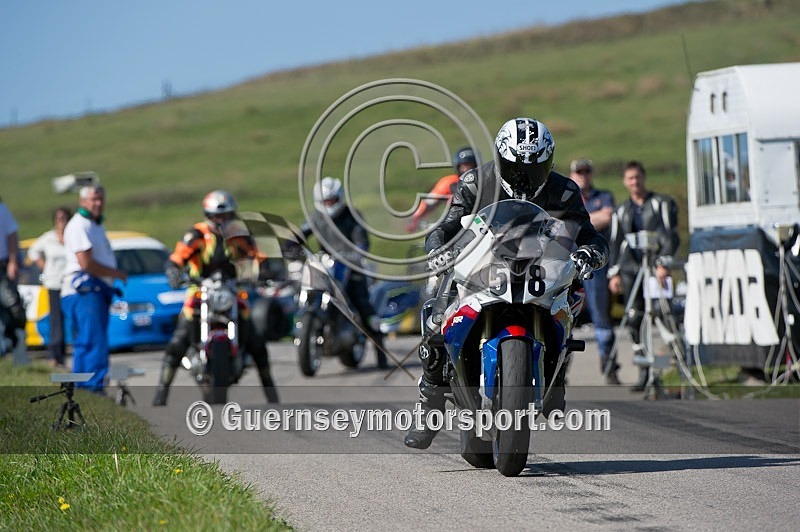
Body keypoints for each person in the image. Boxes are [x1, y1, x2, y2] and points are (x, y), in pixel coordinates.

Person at [404, 117, 609, 449]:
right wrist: (438, 250)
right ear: (500, 160)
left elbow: (590, 235)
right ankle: (430, 409)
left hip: (541, 271)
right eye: (515, 167)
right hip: (482, 267)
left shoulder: (564, 190)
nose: (523, 176)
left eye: (534, 167)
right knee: (435, 318)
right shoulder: (474, 182)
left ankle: (556, 380)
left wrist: (590, 253)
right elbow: (447, 226)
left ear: (548, 163)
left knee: (572, 300)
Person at [152, 190, 280, 406]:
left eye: (226, 216)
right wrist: (173, 271)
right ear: (207, 215)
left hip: (232, 290)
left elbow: (258, 256)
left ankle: (271, 394)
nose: (221, 221)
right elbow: (177, 257)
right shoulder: (196, 235)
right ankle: (160, 394)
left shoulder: (239, 236)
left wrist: (266, 270)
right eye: (216, 216)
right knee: (178, 340)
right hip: (199, 291)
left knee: (256, 341)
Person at [301, 176, 389, 369]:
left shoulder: (352, 215)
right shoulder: (316, 217)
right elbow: (302, 232)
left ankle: (380, 349)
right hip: (325, 265)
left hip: (351, 266)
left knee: (362, 303)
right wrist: (291, 244)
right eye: (325, 201)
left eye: (331, 200)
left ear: (339, 198)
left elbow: (361, 239)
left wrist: (358, 250)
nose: (329, 204)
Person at [607, 160, 679, 392]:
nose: (634, 182)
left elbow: (670, 236)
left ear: (644, 178)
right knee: (635, 319)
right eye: (630, 178)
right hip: (631, 270)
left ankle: (678, 363)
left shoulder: (660, 204)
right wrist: (614, 273)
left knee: (662, 313)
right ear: (625, 182)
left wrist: (663, 262)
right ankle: (645, 372)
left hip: (655, 268)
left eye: (637, 177)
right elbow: (616, 242)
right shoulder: (621, 211)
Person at [61, 186, 127, 393]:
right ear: (83, 202)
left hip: (93, 290)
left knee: (85, 342)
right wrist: (116, 273)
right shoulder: (80, 225)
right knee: (93, 342)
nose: (98, 203)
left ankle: (83, 390)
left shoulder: (94, 225)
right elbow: (86, 263)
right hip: (86, 291)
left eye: (100, 199)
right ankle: (93, 389)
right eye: (93, 199)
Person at [568, 159, 619, 384]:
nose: (583, 175)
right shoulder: (566, 195)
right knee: (564, 317)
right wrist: (591, 220)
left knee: (601, 317)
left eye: (587, 171)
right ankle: (559, 372)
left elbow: (608, 216)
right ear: (571, 174)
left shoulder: (604, 195)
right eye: (579, 172)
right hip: (568, 265)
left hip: (595, 265)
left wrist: (576, 224)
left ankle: (609, 367)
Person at [28, 207, 73, 367]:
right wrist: (44, 266)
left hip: (70, 283)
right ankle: (55, 354)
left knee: (72, 318)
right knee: (56, 320)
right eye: (58, 218)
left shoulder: (73, 236)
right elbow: (33, 252)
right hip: (54, 283)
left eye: (64, 218)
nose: (61, 222)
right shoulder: (48, 238)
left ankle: (69, 352)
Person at [406, 147, 478, 233]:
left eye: (471, 166)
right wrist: (415, 218)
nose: (467, 170)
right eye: (464, 166)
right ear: (458, 167)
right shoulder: (449, 182)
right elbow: (429, 201)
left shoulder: (485, 179)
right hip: (455, 222)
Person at [0, 197, 26, 355]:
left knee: (12, 306)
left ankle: (15, 339)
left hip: (2, 266)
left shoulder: (2, 209)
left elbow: (11, 235)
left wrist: (13, 261)